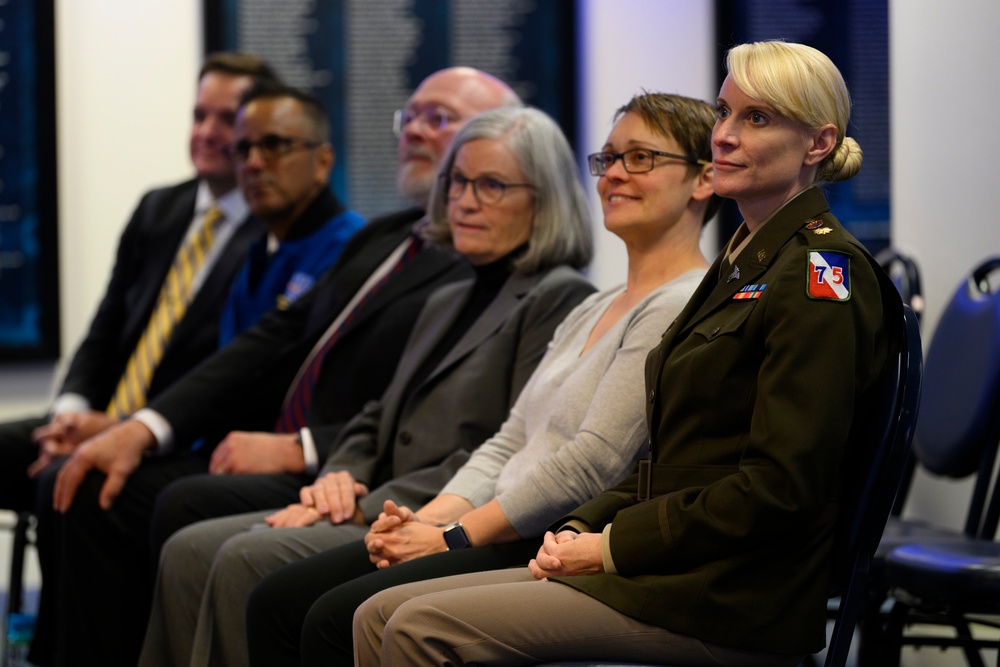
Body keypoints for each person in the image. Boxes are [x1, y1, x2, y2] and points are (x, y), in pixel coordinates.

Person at [354, 40, 904, 667]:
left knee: (419, 627)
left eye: (757, 118)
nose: (724, 135)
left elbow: (779, 489)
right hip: (671, 566)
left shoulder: (817, 277)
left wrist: (612, 546)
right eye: (724, 112)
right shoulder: (744, 264)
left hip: (728, 596)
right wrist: (584, 527)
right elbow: (675, 460)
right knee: (377, 615)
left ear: (818, 144)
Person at [38, 67, 519, 667]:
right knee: (103, 485)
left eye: (439, 118)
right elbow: (278, 338)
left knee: (177, 508)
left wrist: (308, 452)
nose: (415, 131)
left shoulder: (487, 270)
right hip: (336, 459)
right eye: (410, 116)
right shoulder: (390, 235)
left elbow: (443, 419)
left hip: (382, 479)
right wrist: (141, 426)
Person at [244, 92, 722, 666]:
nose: (614, 174)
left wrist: (454, 536)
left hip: (541, 538)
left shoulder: (682, 304)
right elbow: (509, 439)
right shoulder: (592, 307)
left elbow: (591, 464)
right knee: (280, 600)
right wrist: (431, 517)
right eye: (608, 158)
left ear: (704, 180)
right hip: (492, 523)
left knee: (327, 616)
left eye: (640, 157)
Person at [138, 105, 596, 667]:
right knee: (189, 548)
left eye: (492, 185)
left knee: (239, 558)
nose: (465, 200)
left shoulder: (558, 296)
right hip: (374, 496)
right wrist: (341, 474)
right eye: (457, 182)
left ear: (545, 198)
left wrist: (366, 507)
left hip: (433, 514)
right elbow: (380, 413)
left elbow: (508, 449)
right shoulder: (446, 294)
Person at [0, 51, 279, 667]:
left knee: (68, 483)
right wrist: (70, 414)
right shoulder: (161, 208)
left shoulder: (272, 234)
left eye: (225, 118)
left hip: (178, 434)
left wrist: (125, 430)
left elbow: (228, 374)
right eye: (198, 114)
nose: (206, 132)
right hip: (98, 414)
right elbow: (103, 333)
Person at [217, 81, 364, 345]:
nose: (253, 164)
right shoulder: (259, 254)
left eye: (274, 145)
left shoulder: (353, 251)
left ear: (323, 161)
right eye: (242, 150)